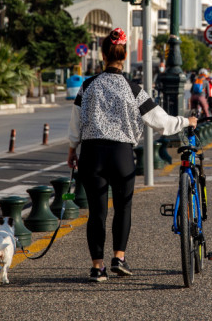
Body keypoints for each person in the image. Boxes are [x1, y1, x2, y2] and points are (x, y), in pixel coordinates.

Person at [67, 27, 197, 282]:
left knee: (96, 212)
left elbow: (75, 123)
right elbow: (162, 122)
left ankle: (97, 267)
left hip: (92, 154)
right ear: (124, 56)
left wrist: (73, 149)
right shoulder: (133, 89)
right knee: (123, 207)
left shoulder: (87, 87)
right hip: (121, 155)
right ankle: (119, 257)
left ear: (102, 55)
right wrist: (187, 120)